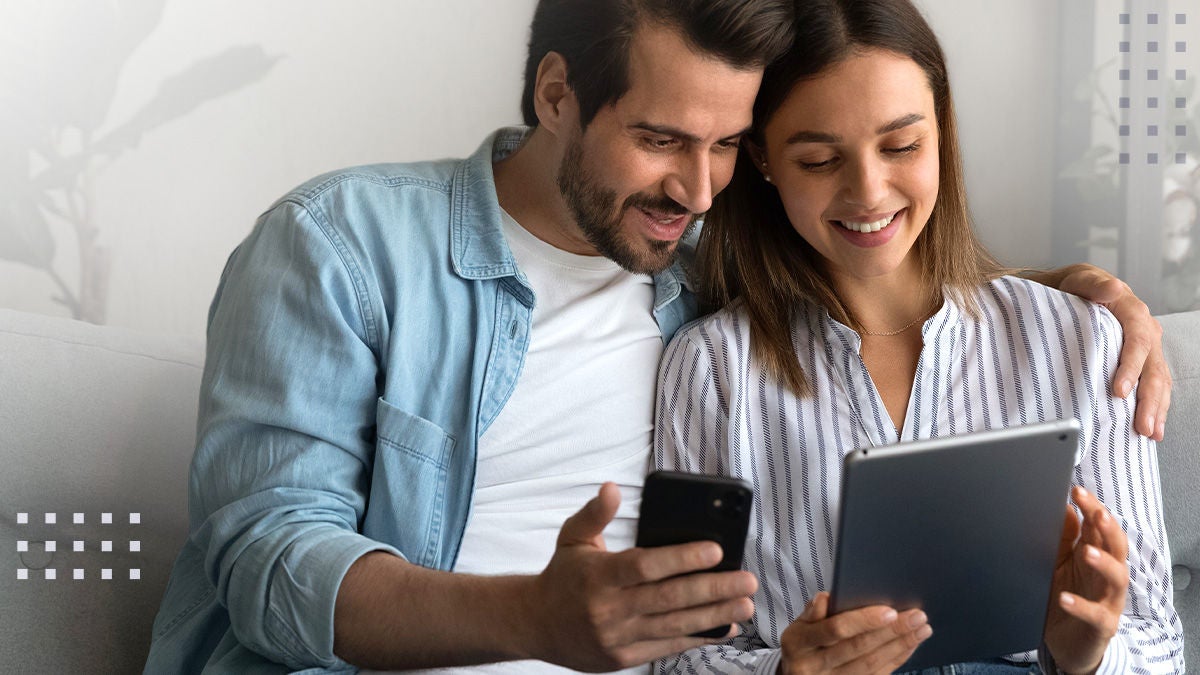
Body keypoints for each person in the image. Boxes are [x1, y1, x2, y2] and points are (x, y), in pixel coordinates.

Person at [145, 1, 1173, 673]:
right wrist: (530, 620)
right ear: (557, 94)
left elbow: (881, 256)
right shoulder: (343, 247)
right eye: (661, 140)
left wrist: (1085, 298)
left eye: (728, 146)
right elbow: (267, 563)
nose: (697, 187)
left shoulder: (698, 274)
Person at [653, 0, 1184, 673]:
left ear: (942, 133)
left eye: (902, 145)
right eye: (818, 160)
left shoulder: (1084, 341)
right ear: (762, 159)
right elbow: (678, 656)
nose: (868, 192)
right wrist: (787, 671)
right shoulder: (711, 370)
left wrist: (1086, 651)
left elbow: (1161, 641)